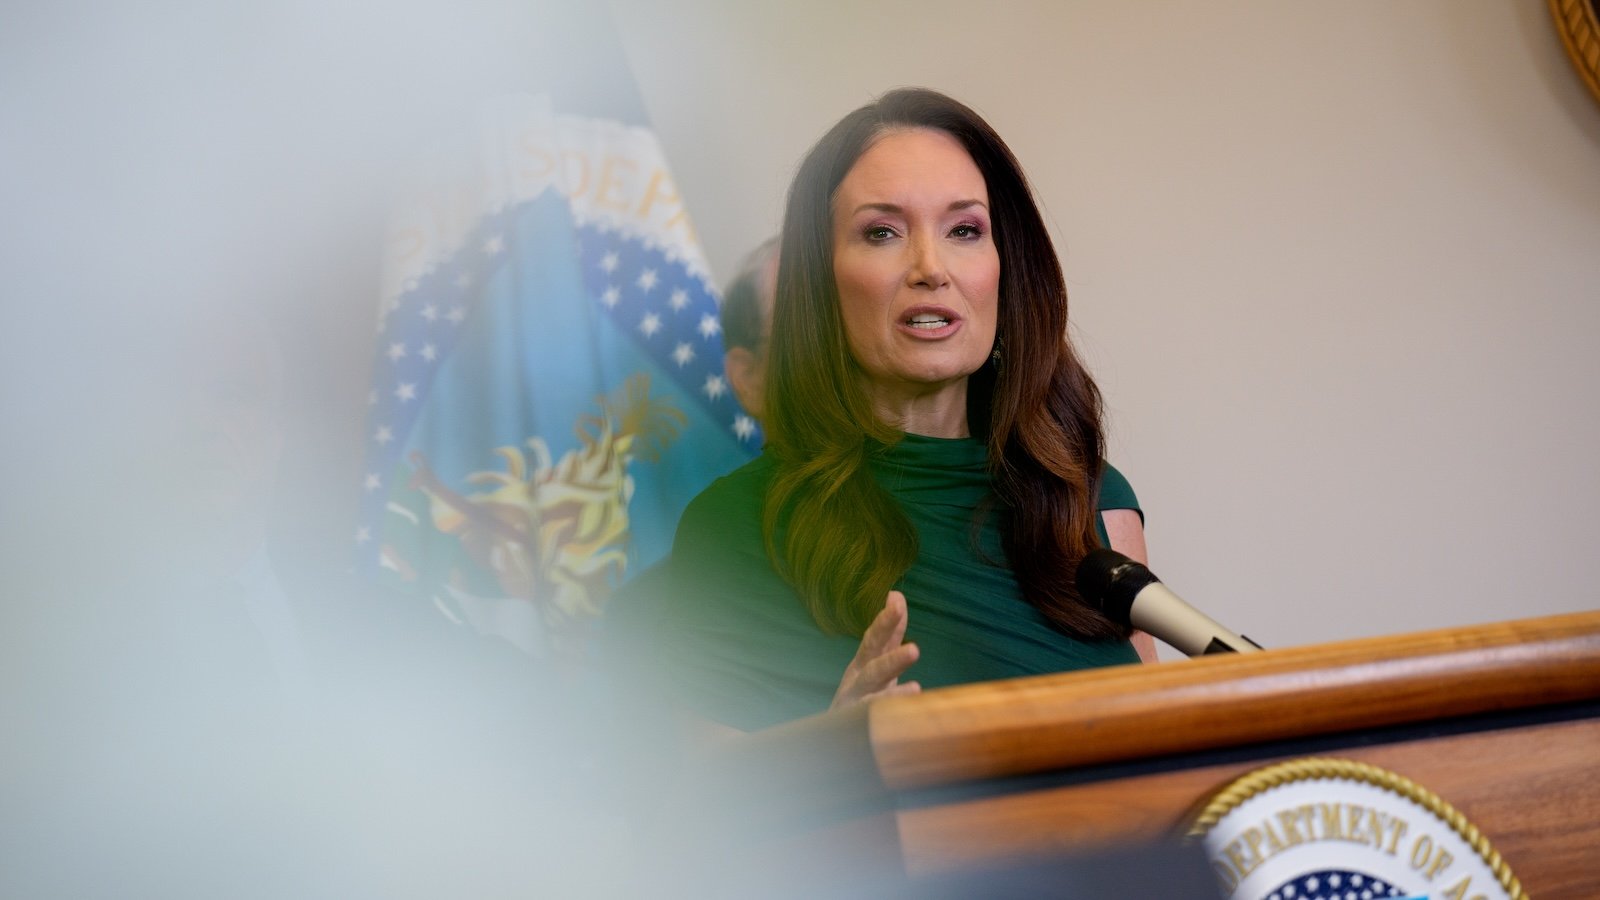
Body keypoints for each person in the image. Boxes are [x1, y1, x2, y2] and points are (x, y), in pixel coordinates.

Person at [651, 88, 1155, 735]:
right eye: (882, 231)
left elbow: (1160, 729)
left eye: (965, 230)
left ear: (1006, 268)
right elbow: (698, 813)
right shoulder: (732, 527)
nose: (930, 267)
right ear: (820, 281)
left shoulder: (1087, 495)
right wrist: (834, 750)